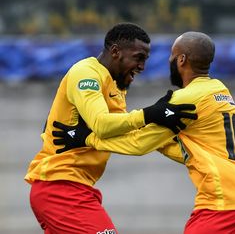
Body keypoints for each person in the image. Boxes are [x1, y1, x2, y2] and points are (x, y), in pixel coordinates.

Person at [52, 31, 235, 234]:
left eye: (171, 57)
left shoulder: (184, 99)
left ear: (181, 60)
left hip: (223, 202)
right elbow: (191, 150)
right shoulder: (220, 90)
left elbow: (137, 144)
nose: (168, 61)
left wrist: (85, 138)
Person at [25, 23, 197, 233]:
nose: (142, 67)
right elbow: (101, 124)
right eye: (138, 57)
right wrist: (149, 114)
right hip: (59, 188)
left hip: (76, 188)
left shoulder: (115, 86)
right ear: (115, 51)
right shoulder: (86, 73)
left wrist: (190, 151)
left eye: (145, 59)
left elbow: (132, 138)